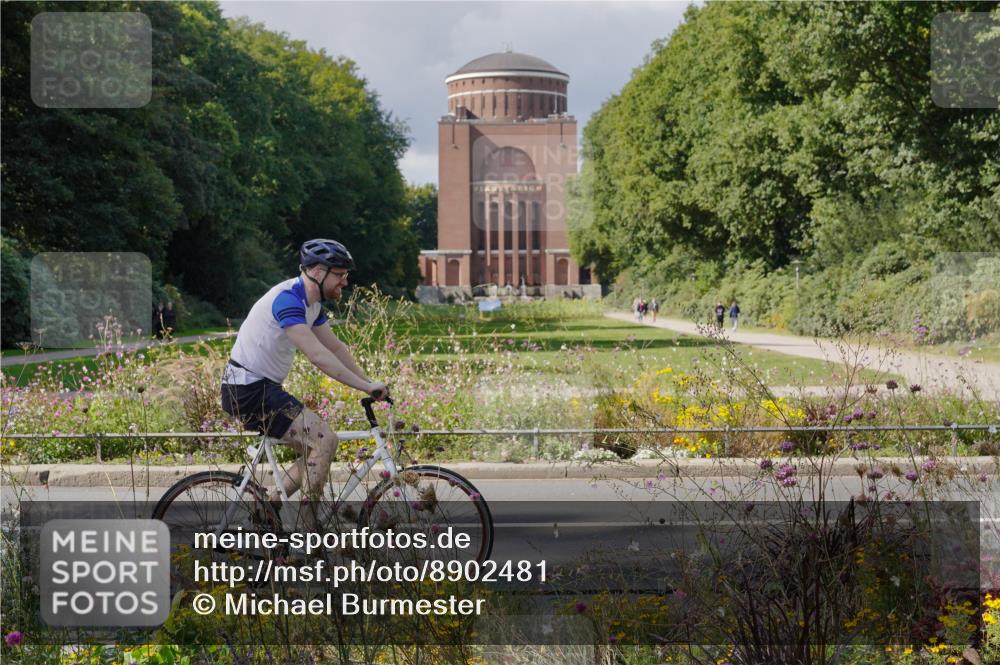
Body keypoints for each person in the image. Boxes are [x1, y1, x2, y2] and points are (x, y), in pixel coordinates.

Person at [220, 239, 389, 508]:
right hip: (248, 390)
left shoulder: (312, 305)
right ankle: (309, 534)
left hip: (262, 388)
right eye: (340, 274)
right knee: (325, 440)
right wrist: (363, 386)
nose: (345, 281)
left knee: (319, 447)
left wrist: (369, 383)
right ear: (318, 272)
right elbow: (318, 356)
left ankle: (270, 506)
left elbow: (333, 347)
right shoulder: (288, 300)